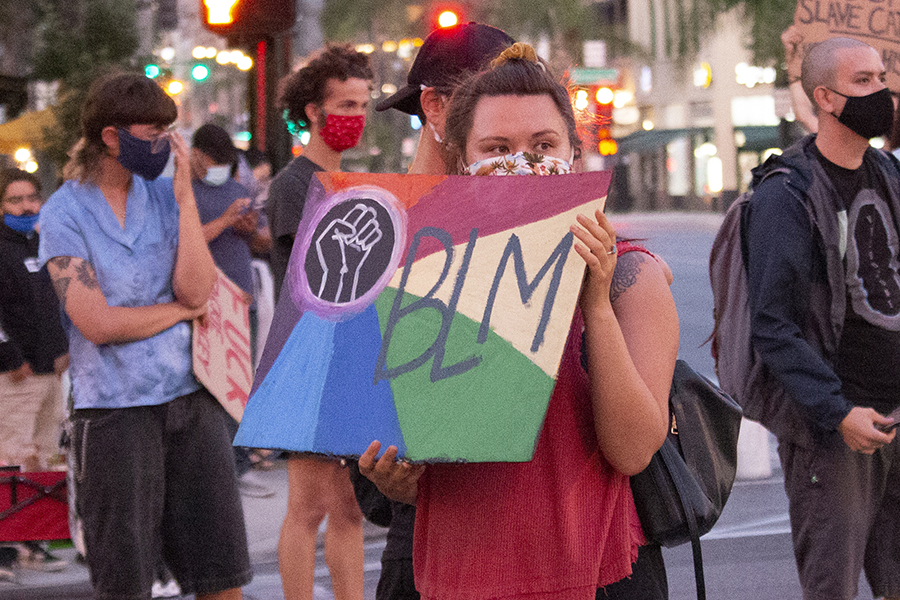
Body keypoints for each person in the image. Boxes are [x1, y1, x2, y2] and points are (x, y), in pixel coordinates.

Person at [360, 43, 679, 600]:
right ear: (462, 162)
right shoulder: (424, 275)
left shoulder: (631, 277)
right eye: (497, 148)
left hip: (591, 576)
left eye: (543, 145)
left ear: (574, 154)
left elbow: (631, 450)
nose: (523, 162)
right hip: (458, 575)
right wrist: (397, 480)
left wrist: (596, 304)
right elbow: (428, 450)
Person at [38, 72, 251, 600]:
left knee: (222, 577)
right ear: (111, 136)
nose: (165, 143)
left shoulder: (164, 194)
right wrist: (181, 313)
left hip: (191, 399)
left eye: (168, 131)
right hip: (114, 414)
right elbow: (98, 324)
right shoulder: (63, 213)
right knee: (125, 583)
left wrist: (183, 201)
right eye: (152, 131)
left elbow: (198, 287)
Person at [350, 21, 515, 600]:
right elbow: (353, 399)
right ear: (438, 108)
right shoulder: (372, 231)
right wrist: (389, 478)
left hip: (538, 531)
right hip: (426, 543)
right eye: (496, 101)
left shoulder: (528, 216)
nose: (513, 132)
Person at [745, 37, 900, 600]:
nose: (881, 91)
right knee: (833, 588)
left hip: (894, 415)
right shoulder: (787, 194)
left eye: (881, 76)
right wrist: (837, 414)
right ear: (824, 98)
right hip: (837, 431)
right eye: (863, 81)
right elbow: (773, 326)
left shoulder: (887, 173)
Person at [267, 44, 373, 600]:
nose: (354, 116)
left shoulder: (345, 182)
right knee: (307, 507)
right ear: (313, 110)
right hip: (306, 361)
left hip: (346, 358)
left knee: (349, 506)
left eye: (362, 104)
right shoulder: (293, 183)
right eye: (344, 104)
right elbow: (302, 284)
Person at [190, 122, 274, 499]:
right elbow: (185, 241)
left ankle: (241, 464)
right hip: (205, 300)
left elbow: (263, 242)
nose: (219, 169)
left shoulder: (239, 189)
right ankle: (218, 468)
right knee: (211, 387)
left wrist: (249, 227)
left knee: (241, 384)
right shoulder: (185, 192)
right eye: (213, 162)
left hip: (242, 299)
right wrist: (224, 221)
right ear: (196, 156)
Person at [0, 168, 70, 573]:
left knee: (42, 460)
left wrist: (63, 351)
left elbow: (56, 303)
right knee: (8, 459)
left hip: (50, 371)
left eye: (31, 198)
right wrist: (11, 358)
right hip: (15, 375)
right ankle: (5, 549)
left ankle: (32, 543)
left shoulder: (43, 245)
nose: (27, 207)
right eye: (15, 200)